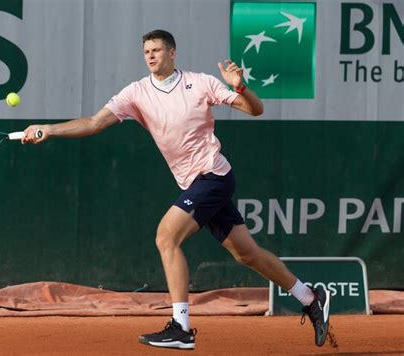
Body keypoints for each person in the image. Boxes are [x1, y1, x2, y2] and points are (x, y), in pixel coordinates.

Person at [22, 29, 330, 350]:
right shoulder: (136, 92)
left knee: (166, 236)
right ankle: (310, 297)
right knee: (246, 253)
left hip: (213, 176)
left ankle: (181, 327)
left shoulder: (201, 83)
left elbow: (255, 109)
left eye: (157, 50)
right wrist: (50, 129)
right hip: (194, 183)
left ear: (172, 53)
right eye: (146, 52)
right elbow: (94, 122)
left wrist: (240, 86)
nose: (151, 56)